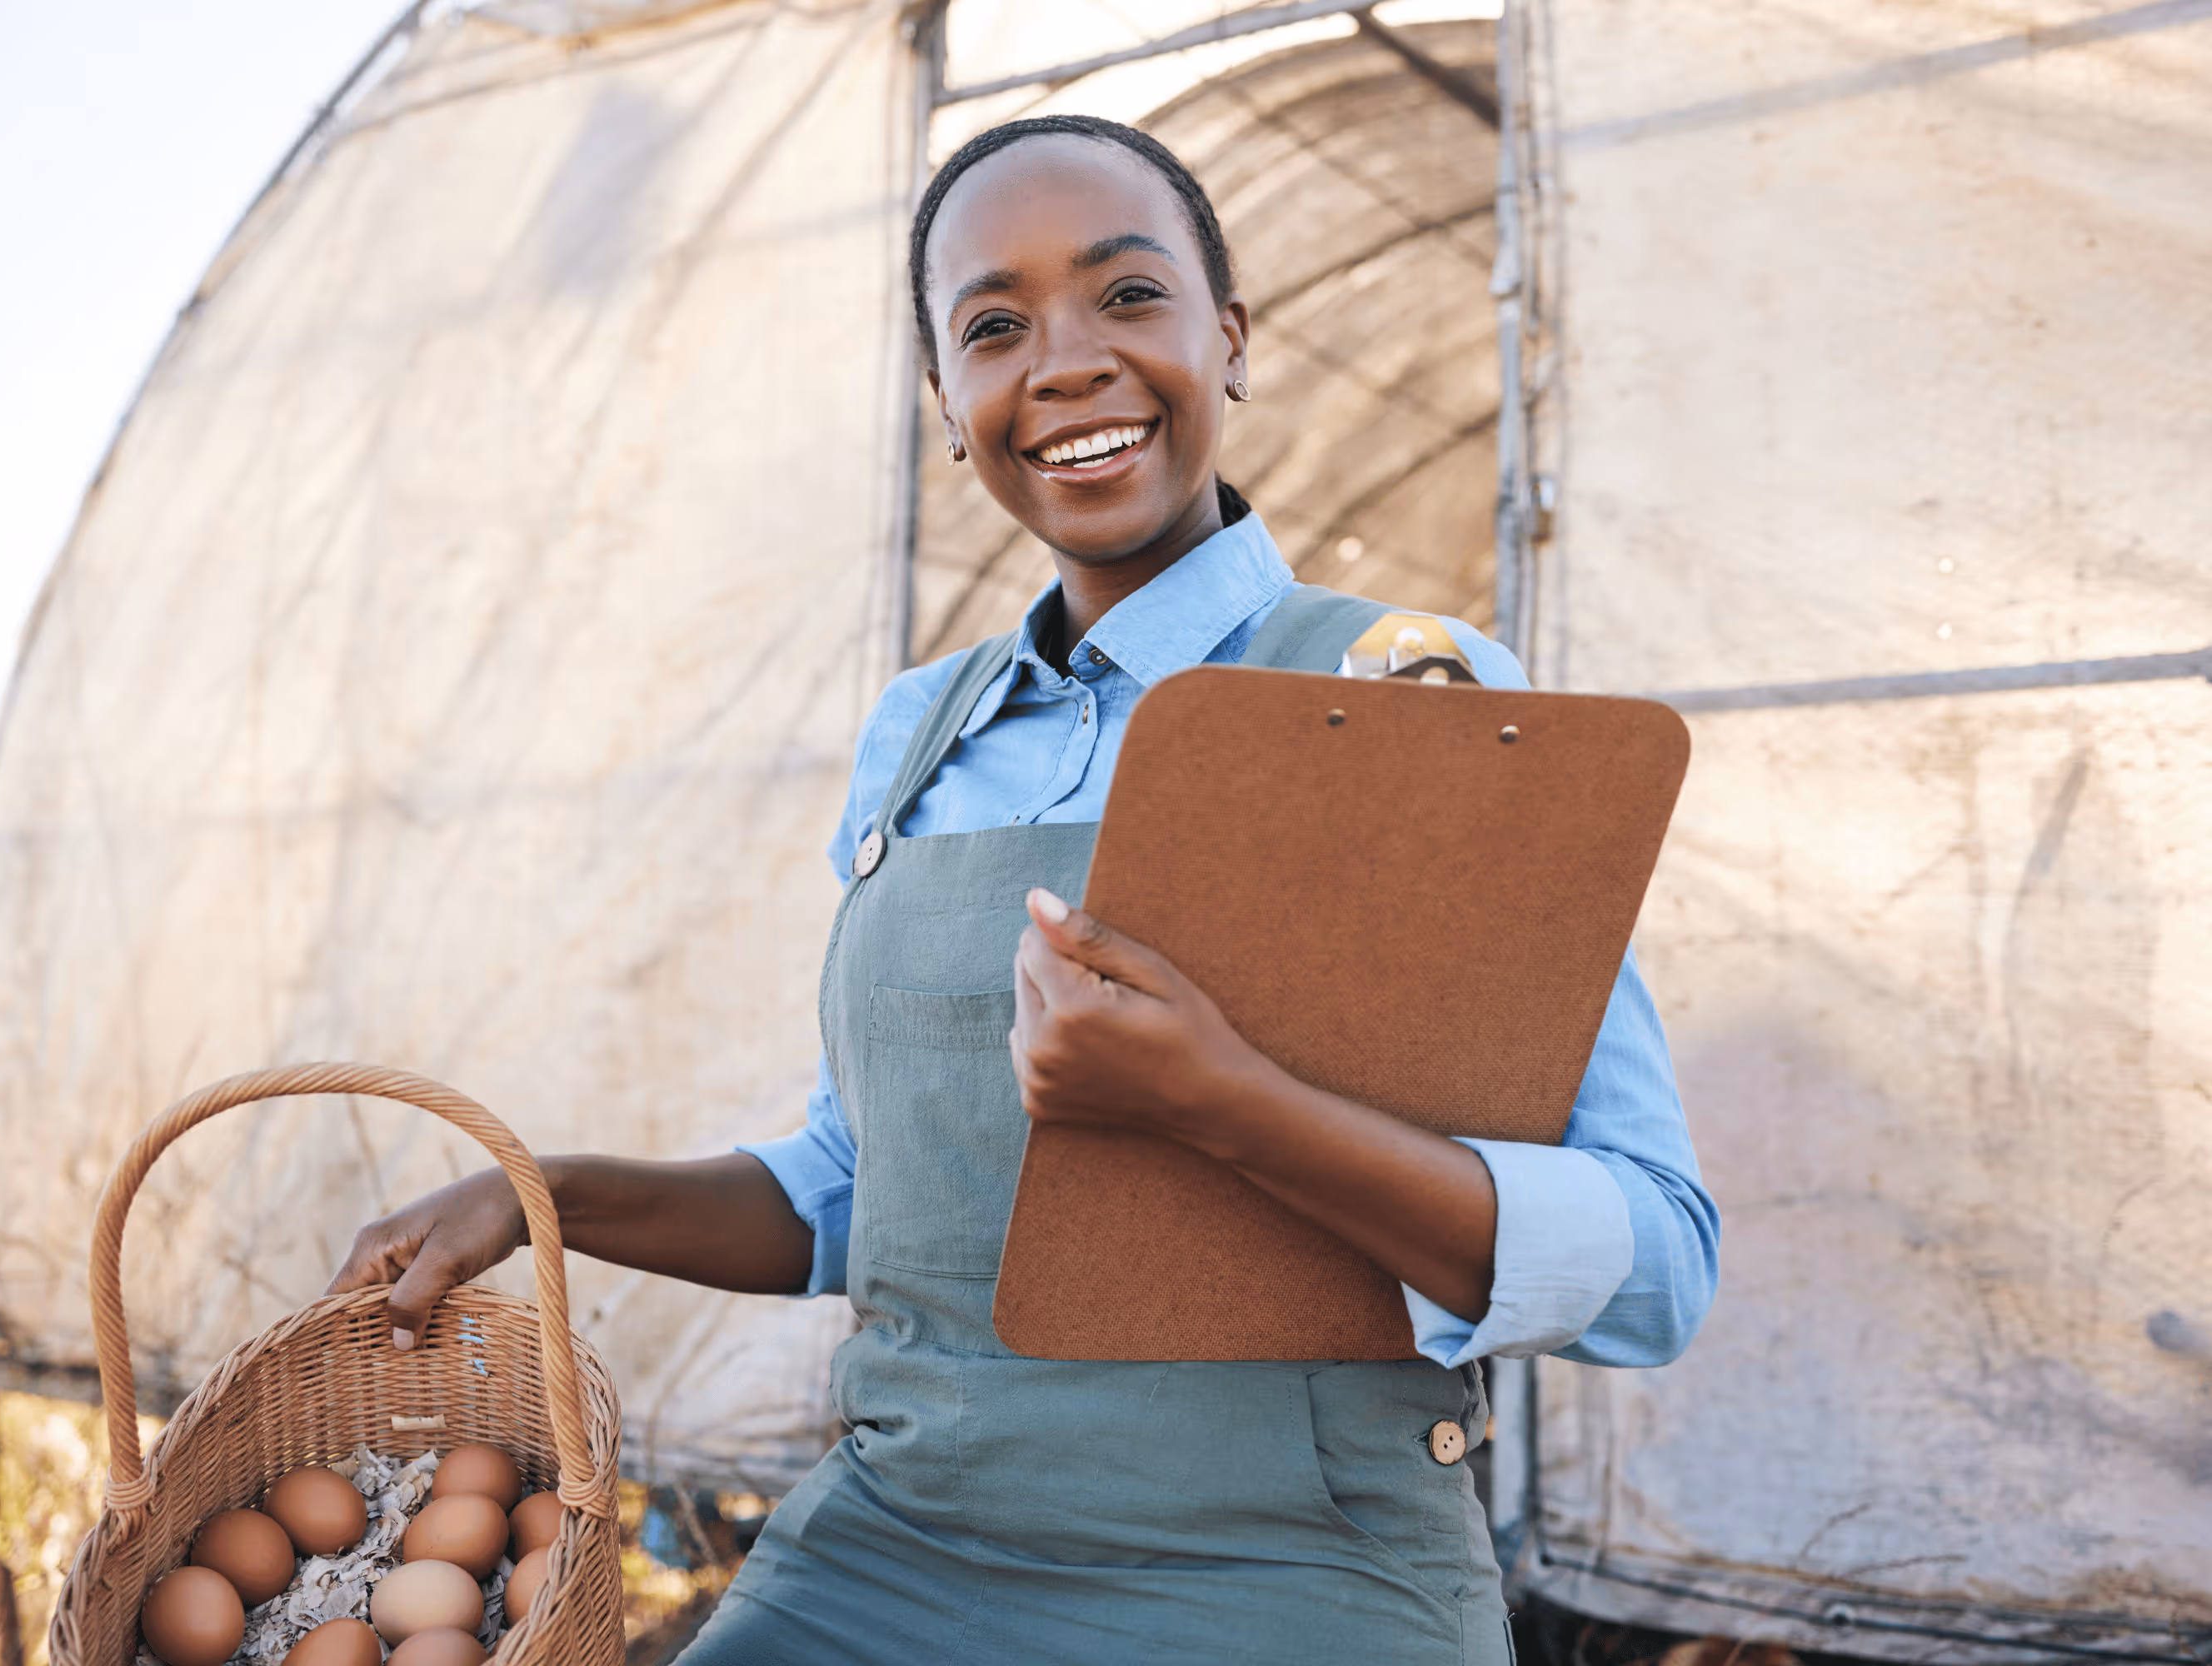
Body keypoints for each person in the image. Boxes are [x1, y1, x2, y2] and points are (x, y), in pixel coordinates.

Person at [327, 114, 1718, 1664]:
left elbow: (1655, 1263)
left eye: (1130, 298)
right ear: (948, 405)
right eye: (995, 329)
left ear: (1231, 341)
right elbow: (869, 1196)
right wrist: (546, 1197)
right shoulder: (918, 738)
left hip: (1297, 1569)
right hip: (905, 1543)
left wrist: (1218, 1102)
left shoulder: (1408, 691)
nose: (1064, 364)